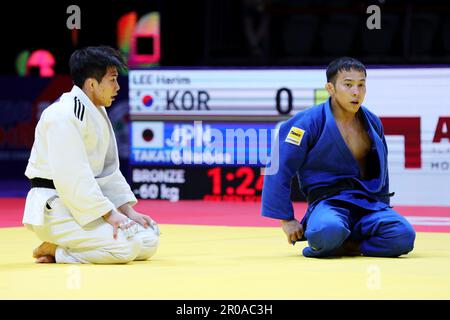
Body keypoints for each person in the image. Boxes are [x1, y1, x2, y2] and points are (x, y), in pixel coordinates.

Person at [261, 57, 416, 258]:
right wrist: (286, 219)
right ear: (330, 88)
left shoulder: (372, 122)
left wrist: (382, 206)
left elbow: (381, 171)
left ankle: (348, 245)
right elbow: (279, 168)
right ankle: (333, 238)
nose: (356, 92)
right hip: (328, 203)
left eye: (361, 85)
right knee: (327, 231)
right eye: (348, 85)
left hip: (366, 205)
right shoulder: (307, 122)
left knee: (403, 235)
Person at [23, 46, 160, 264]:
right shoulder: (62, 115)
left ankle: (68, 245)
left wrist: (127, 211)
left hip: (81, 204)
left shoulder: (96, 111)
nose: (117, 87)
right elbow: (73, 178)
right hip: (56, 208)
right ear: (92, 84)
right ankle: (56, 250)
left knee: (148, 238)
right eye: (112, 80)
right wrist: (110, 214)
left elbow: (108, 172)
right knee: (128, 247)